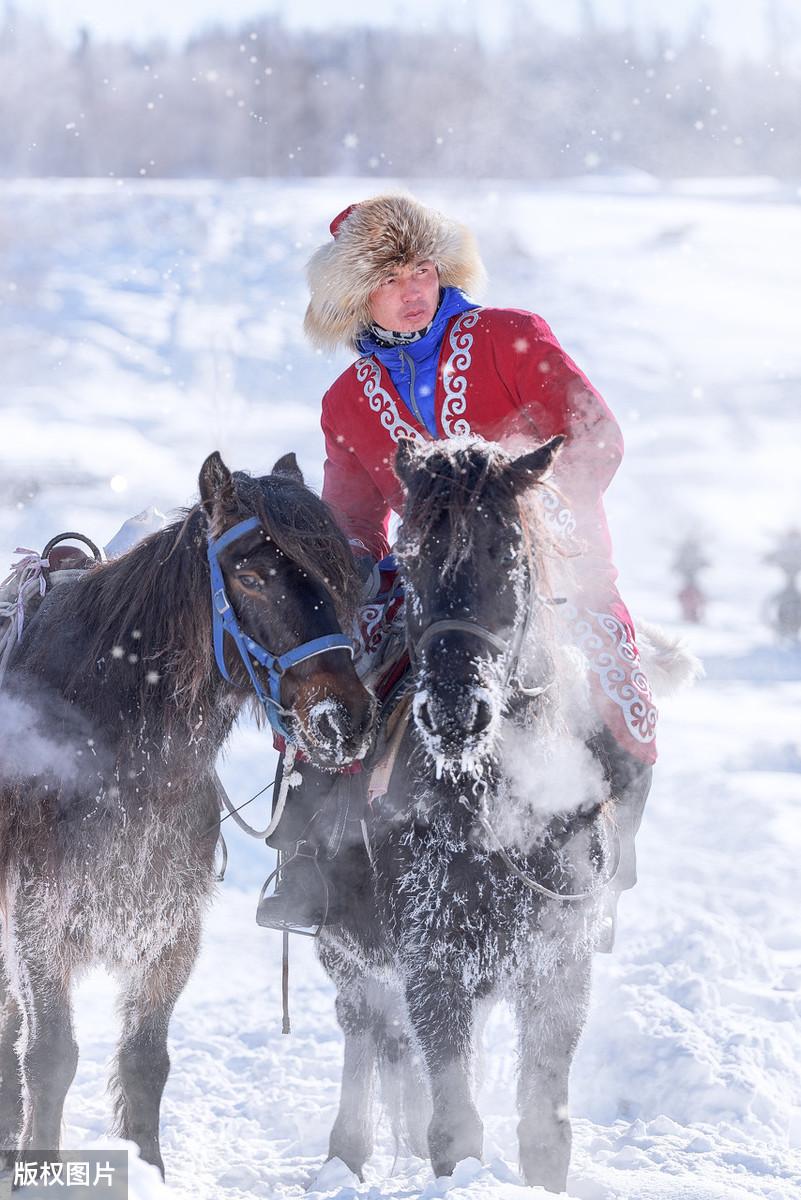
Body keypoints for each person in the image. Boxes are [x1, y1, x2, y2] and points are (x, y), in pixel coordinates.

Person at [256, 194, 656, 941]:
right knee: (331, 689)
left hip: (549, 567)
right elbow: (353, 523)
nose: (413, 289)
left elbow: (594, 434)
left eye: (422, 269)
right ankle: (310, 866)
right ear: (354, 300)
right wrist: (352, 583)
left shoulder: (511, 338)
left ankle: (608, 864)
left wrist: (537, 522)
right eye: (391, 278)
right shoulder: (346, 403)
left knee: (617, 695)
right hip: (427, 588)